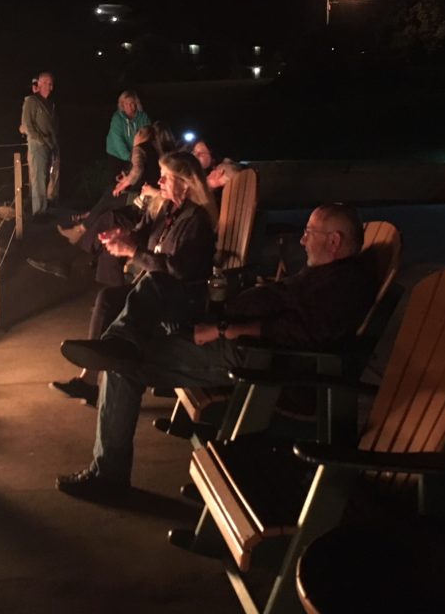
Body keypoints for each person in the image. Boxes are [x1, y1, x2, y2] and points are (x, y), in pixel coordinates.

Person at [54, 203, 378, 499]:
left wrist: (224, 330)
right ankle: (122, 339)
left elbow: (303, 335)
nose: (303, 241)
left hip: (254, 358)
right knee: (155, 284)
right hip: (230, 325)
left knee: (122, 366)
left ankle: (108, 474)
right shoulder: (324, 274)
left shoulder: (343, 284)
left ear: (334, 241)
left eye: (309, 233)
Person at [48, 151, 218, 406]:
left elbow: (177, 271)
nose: (158, 183)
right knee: (108, 298)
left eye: (165, 178)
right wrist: (122, 237)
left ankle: (109, 359)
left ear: (185, 182)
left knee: (120, 297)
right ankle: (90, 377)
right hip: (153, 287)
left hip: (181, 297)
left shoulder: (196, 220)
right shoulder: (166, 208)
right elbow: (141, 233)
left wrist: (132, 252)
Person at [21, 71, 58, 218]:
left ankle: (43, 209)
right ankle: (38, 212)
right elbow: (28, 126)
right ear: (39, 84)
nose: (47, 86)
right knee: (38, 179)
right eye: (44, 83)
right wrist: (42, 140)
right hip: (37, 145)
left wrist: (52, 143)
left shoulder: (50, 104)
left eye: (50, 84)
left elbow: (52, 126)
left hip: (49, 146)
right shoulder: (31, 101)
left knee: (45, 178)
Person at [105, 91, 150, 177]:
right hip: (117, 154)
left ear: (136, 104)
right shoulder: (117, 119)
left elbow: (147, 135)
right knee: (119, 179)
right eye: (126, 104)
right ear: (122, 105)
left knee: (138, 177)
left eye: (132, 103)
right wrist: (129, 157)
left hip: (136, 152)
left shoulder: (143, 117)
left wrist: (138, 155)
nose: (129, 107)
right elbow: (118, 141)